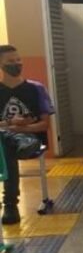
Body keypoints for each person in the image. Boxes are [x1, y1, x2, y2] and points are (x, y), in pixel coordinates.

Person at [0, 45, 54, 224]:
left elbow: (44, 125)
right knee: (6, 144)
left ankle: (10, 205)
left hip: (31, 141)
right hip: (5, 141)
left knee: (6, 145)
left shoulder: (36, 88)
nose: (16, 64)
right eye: (10, 61)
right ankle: (9, 204)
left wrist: (22, 128)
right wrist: (11, 124)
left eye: (18, 60)